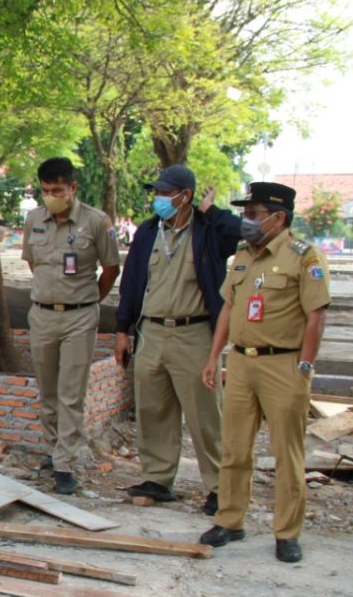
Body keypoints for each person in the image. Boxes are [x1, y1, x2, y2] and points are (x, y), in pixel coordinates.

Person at [198, 182, 330, 564]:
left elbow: (316, 316)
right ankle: (230, 520)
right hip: (241, 363)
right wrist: (214, 357)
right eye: (246, 213)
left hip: (283, 364)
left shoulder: (303, 257)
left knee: (286, 454)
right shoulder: (242, 256)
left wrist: (305, 365)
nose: (246, 221)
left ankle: (287, 532)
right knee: (235, 448)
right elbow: (228, 308)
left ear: (279, 217)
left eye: (254, 214)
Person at [114, 165, 242, 514]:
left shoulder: (209, 230)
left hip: (195, 333)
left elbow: (241, 231)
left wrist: (210, 212)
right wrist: (122, 329)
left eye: (165, 193)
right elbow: (131, 283)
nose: (158, 198)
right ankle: (157, 478)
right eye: (156, 192)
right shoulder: (147, 232)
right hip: (151, 332)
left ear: (185, 196)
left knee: (205, 415)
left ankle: (218, 486)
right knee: (153, 410)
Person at [22, 157, 120, 495]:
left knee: (70, 394)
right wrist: (51, 295)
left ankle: (65, 464)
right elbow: (35, 263)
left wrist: (88, 299)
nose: (51, 196)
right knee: (48, 391)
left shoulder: (96, 221)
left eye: (57, 190)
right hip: (42, 316)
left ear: (72, 188)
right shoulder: (34, 219)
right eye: (46, 190)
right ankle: (54, 449)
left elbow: (110, 269)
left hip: (80, 318)